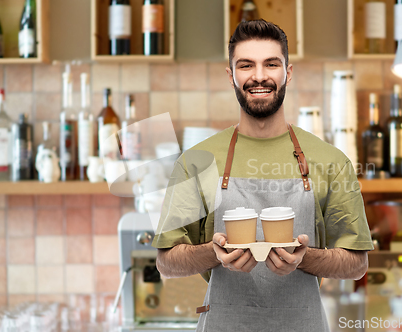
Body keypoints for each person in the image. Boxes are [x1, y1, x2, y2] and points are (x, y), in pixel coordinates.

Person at [152, 19, 373, 332]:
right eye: (246, 65)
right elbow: (167, 261)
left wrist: (304, 258)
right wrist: (212, 253)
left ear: (288, 72)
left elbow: (356, 263)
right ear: (231, 76)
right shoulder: (196, 162)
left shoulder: (331, 161)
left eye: (271, 64)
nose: (259, 76)